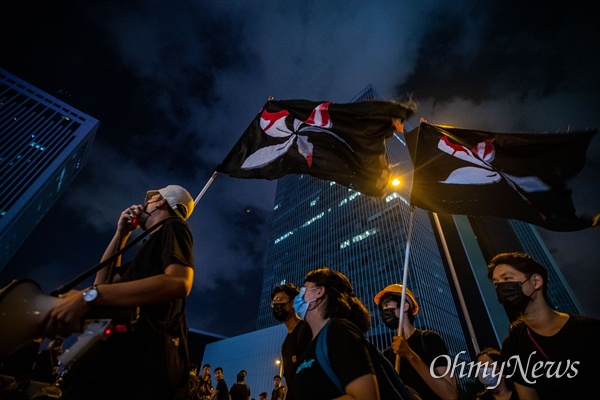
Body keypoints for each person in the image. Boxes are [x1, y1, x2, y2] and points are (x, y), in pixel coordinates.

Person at [40, 185, 196, 400]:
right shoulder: (149, 250)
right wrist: (121, 234)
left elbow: (179, 282)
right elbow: (103, 281)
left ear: (161, 202)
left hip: (140, 361)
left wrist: (90, 296)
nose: (143, 205)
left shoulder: (174, 225)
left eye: (148, 201)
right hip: (124, 360)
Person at [488, 252, 600, 399]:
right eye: (496, 284)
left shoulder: (588, 330)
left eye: (507, 278)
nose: (501, 288)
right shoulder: (513, 346)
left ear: (536, 281)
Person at [293, 267, 378, 400]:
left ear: (319, 292)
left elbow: (365, 397)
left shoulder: (339, 330)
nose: (298, 297)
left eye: (303, 290)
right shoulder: (311, 344)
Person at [374, 284, 457, 400]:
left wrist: (409, 354)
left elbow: (451, 395)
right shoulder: (387, 355)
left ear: (405, 306)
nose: (384, 311)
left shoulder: (429, 339)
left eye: (387, 305)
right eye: (382, 308)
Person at [270, 283, 312, 400]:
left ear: (293, 302)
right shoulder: (285, 345)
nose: (277, 304)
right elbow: (288, 379)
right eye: (274, 302)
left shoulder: (306, 329)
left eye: (280, 299)